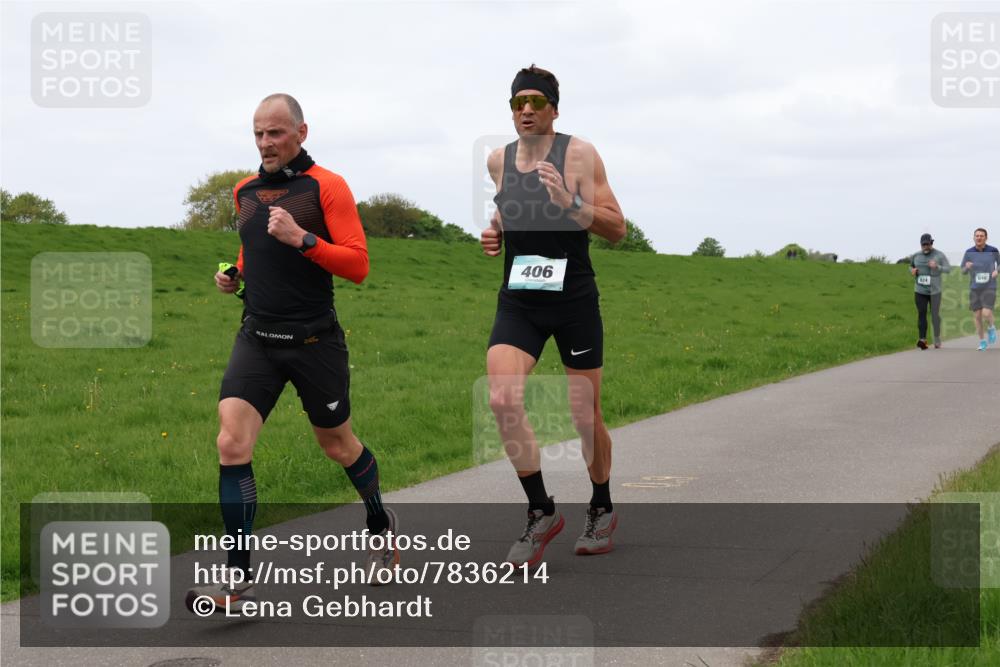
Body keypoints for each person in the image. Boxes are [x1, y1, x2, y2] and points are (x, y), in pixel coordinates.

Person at [187, 94, 396, 614]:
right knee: (231, 442)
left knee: (338, 446)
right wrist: (233, 277)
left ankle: (378, 520)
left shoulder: (327, 186)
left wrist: (303, 239)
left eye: (275, 133)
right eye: (258, 133)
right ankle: (238, 582)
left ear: (301, 132)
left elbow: (358, 265)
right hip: (257, 338)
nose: (265, 143)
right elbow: (250, 249)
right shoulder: (245, 191)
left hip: (313, 343)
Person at [480, 65, 626, 567]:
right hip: (519, 299)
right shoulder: (498, 160)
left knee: (585, 415)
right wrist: (496, 231)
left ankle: (601, 504)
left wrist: (570, 203)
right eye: (518, 101)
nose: (526, 109)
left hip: (573, 300)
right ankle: (541, 511)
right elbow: (509, 211)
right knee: (501, 398)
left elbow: (616, 228)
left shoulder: (580, 154)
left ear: (554, 108)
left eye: (536, 102)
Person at [960, 228, 999, 351]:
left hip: (990, 286)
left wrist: (997, 271)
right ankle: (982, 341)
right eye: (977, 235)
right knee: (977, 316)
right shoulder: (969, 252)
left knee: (986, 313)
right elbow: (963, 271)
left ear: (986, 238)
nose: (979, 237)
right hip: (975, 287)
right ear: (973, 238)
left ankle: (992, 328)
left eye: (981, 235)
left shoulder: (993, 250)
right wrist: (966, 267)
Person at [910, 233, 950, 349]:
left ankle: (937, 338)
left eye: (927, 244)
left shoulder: (939, 255)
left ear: (931, 243)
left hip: (935, 291)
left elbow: (948, 269)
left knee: (934, 315)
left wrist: (937, 266)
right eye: (923, 245)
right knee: (921, 313)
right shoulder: (916, 255)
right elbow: (910, 266)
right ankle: (923, 339)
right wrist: (912, 271)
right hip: (920, 290)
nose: (925, 247)